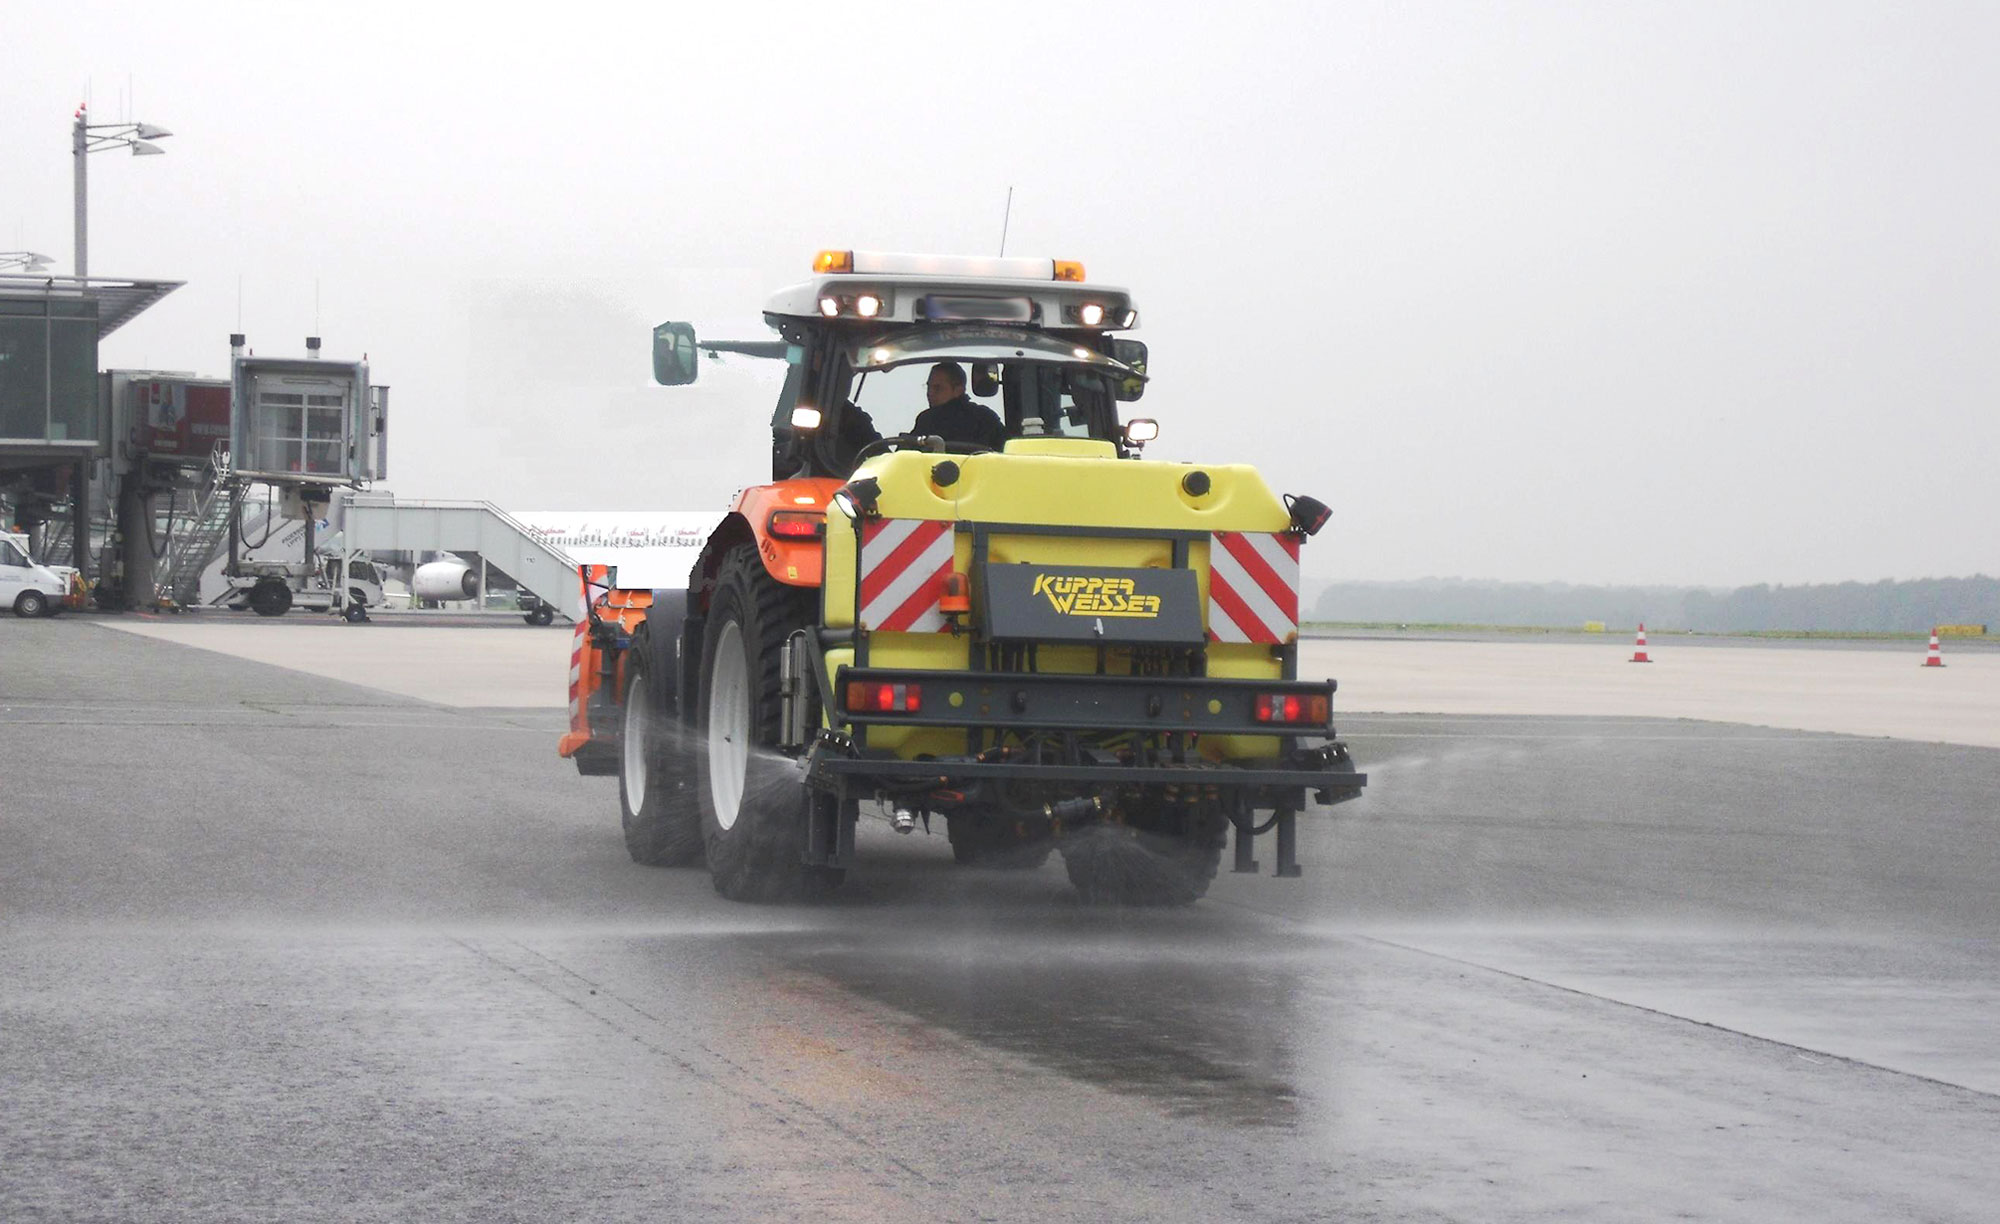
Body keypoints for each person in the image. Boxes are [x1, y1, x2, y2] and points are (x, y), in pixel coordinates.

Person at [913, 362, 1005, 450]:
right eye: (929, 387)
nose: (930, 393)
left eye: (938, 388)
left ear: (958, 390)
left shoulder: (928, 419)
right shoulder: (987, 417)